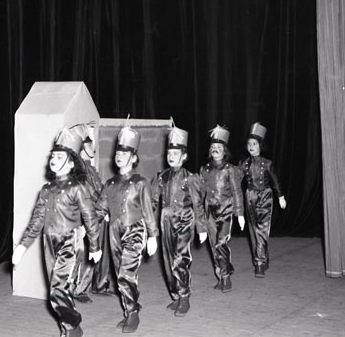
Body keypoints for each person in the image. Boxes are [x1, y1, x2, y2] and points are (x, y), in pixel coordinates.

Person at [12, 127, 101, 337]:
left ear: (70, 163)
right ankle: (70, 328)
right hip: (48, 242)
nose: (54, 159)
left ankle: (72, 326)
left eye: (60, 156)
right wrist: (23, 246)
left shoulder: (77, 187)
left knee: (57, 289)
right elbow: (37, 220)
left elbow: (90, 217)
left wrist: (95, 246)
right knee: (59, 289)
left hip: (70, 240)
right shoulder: (46, 189)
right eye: (53, 155)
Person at [95, 124, 158, 333]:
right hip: (114, 233)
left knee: (126, 274)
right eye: (117, 153)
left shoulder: (141, 183)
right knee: (119, 273)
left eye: (124, 153)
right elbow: (100, 208)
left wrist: (152, 235)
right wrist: (88, 225)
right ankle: (130, 307)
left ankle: (132, 313)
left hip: (135, 230)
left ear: (134, 157)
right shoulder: (110, 183)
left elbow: (148, 210)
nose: (119, 156)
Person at [151, 123, 207, 317]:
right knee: (167, 259)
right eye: (169, 153)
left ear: (184, 156)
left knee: (180, 259)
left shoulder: (190, 178)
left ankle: (184, 296)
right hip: (165, 220)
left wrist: (201, 227)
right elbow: (152, 201)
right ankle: (175, 295)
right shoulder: (161, 177)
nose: (171, 156)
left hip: (184, 219)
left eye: (176, 153)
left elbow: (198, 203)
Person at [199, 124, 244, 293]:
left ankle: (226, 277)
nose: (215, 150)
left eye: (219, 147)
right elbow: (200, 192)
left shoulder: (230, 169)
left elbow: (237, 191)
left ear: (225, 151)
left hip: (225, 210)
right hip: (209, 211)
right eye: (213, 147)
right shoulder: (204, 169)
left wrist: (239, 213)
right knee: (214, 245)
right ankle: (222, 273)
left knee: (220, 243)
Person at [239, 122, 286, 277]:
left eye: (254, 144)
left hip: (265, 196)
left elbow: (275, 180)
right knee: (253, 229)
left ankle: (259, 263)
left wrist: (280, 196)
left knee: (262, 229)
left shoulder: (267, 163)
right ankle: (263, 258)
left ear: (260, 145)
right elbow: (237, 180)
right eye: (249, 144)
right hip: (250, 196)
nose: (251, 146)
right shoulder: (244, 164)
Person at [71, 124, 105, 304]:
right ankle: (74, 290)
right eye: (90, 145)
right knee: (80, 253)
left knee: (91, 252)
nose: (94, 148)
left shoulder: (90, 168)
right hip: (82, 217)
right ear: (82, 147)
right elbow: (87, 195)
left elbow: (99, 191)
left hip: (94, 216)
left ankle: (85, 288)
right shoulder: (78, 171)